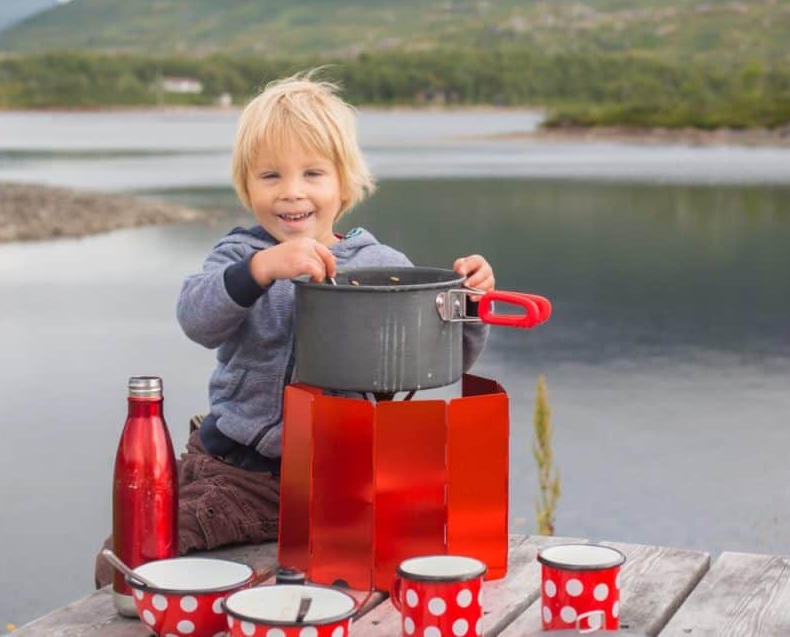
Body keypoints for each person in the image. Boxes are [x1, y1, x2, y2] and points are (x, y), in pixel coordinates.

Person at [95, 72, 494, 588]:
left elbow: (443, 360)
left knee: (403, 557)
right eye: (270, 177)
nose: (291, 193)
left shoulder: (383, 264)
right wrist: (260, 270)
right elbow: (196, 319)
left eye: (312, 173)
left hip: (341, 481)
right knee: (126, 556)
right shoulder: (240, 253)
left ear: (344, 184)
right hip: (239, 471)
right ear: (246, 186)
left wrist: (472, 304)